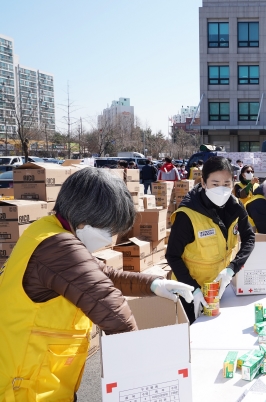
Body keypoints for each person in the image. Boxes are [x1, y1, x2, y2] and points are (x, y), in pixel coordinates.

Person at [0, 168, 194, 401]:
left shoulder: (48, 230)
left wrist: (153, 284)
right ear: (85, 219)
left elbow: (100, 274)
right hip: (29, 386)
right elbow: (113, 311)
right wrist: (145, 373)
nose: (111, 237)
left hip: (39, 373)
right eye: (109, 229)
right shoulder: (60, 248)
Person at [166, 157, 256, 322]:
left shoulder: (236, 206)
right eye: (215, 184)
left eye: (227, 184)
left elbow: (249, 237)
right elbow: (172, 255)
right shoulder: (188, 214)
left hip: (218, 288)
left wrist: (231, 270)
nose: (221, 189)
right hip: (189, 291)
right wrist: (193, 289)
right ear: (203, 182)